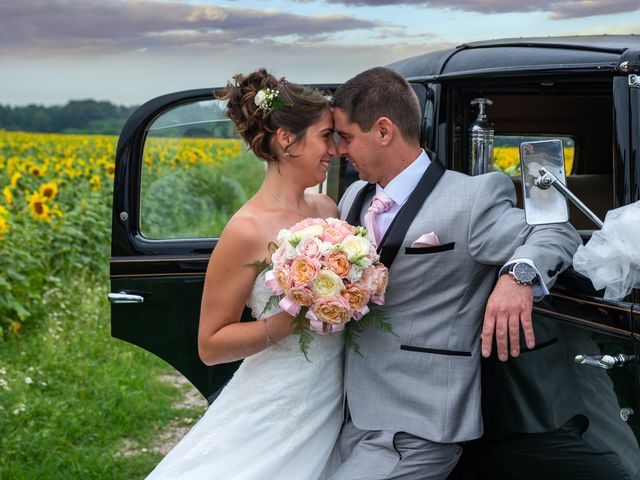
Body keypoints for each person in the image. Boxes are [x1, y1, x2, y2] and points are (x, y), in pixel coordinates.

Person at [330, 66, 582, 480]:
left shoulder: (470, 198)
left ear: (383, 130)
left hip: (417, 427)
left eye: (346, 137)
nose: (340, 150)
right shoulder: (355, 195)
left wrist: (516, 276)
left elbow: (557, 230)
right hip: (348, 416)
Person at [146, 69, 343, 479]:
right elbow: (210, 344)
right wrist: (289, 320)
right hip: (277, 400)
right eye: (327, 136)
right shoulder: (246, 229)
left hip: (334, 393)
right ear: (287, 139)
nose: (335, 150)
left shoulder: (329, 211)